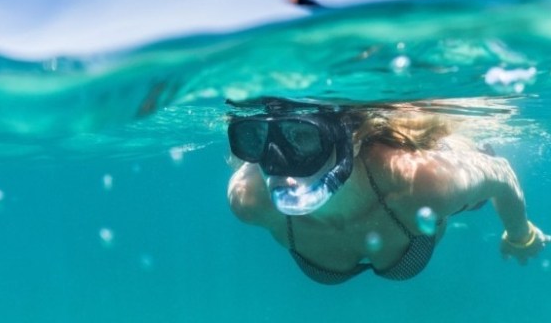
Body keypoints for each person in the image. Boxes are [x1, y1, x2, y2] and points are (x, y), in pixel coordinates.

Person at [226, 97, 550, 284]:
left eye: (303, 138)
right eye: (254, 139)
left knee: (472, 191)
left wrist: (520, 235)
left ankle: (472, 148)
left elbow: (502, 174)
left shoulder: (421, 182)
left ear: (350, 140)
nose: (277, 163)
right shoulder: (249, 199)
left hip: (428, 169)